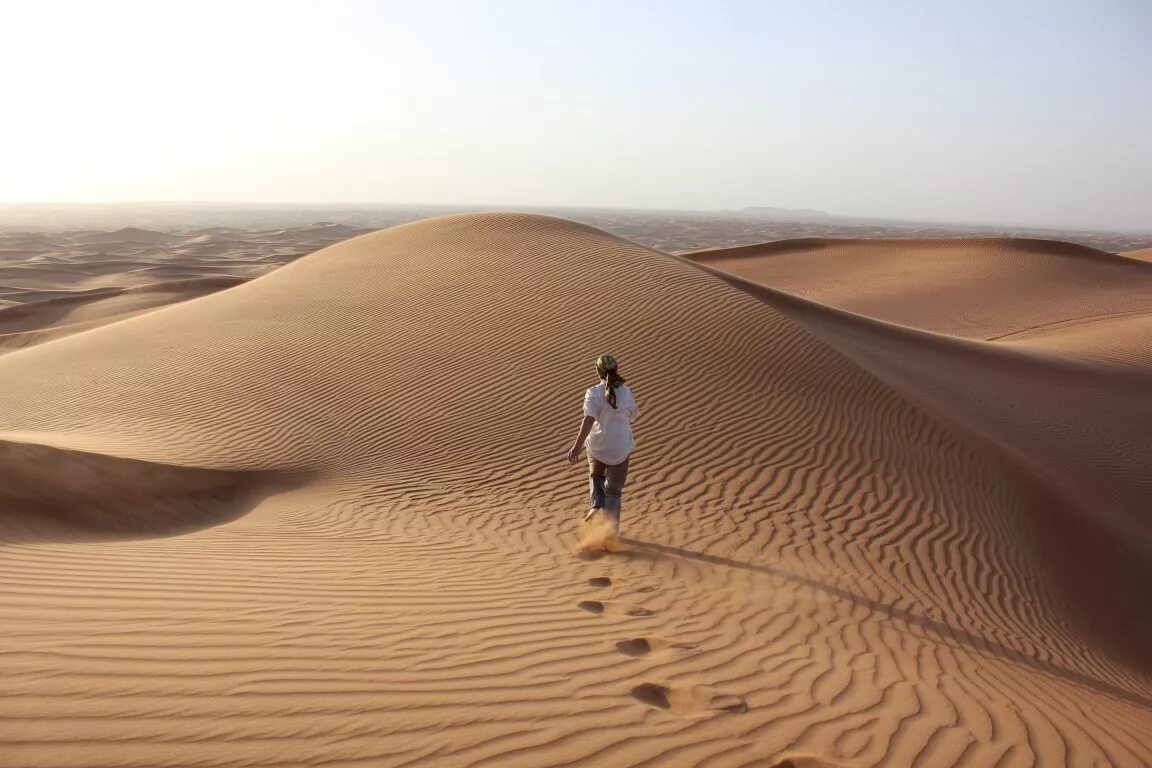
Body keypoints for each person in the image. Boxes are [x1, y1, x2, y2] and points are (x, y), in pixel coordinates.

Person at [567, 354, 638, 533]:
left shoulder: (593, 392)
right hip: (621, 448)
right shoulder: (627, 392)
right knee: (613, 492)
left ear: (598, 371)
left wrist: (576, 447)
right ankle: (609, 533)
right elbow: (632, 417)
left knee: (596, 475)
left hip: (598, 446)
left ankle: (595, 503)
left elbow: (589, 419)